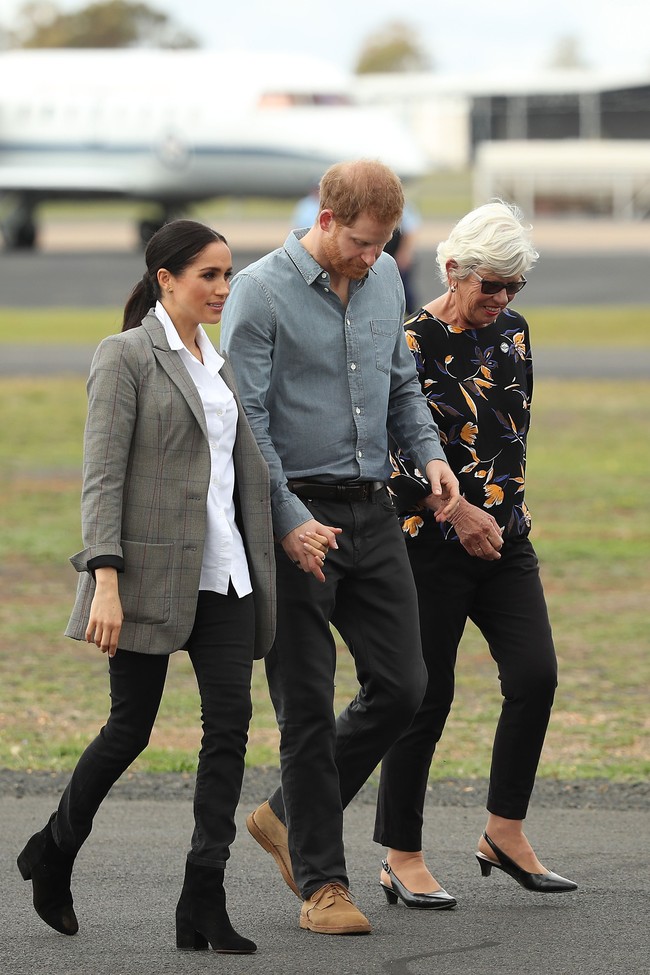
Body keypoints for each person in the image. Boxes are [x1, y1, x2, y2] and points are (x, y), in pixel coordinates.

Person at [15, 219, 323, 954]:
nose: (222, 288)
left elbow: (239, 471)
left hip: (227, 573)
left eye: (227, 274)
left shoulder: (217, 362)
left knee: (230, 731)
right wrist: (106, 582)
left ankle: (202, 896)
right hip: (147, 574)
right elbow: (102, 479)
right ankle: (55, 849)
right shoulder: (124, 356)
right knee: (130, 729)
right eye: (208, 276)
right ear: (166, 280)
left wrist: (286, 530)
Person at [221, 159, 459, 936]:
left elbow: (399, 387)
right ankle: (323, 884)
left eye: (384, 241)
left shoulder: (387, 276)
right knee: (307, 710)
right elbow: (246, 423)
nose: (374, 256)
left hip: (373, 509)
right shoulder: (259, 292)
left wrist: (429, 456)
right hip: (293, 514)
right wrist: (288, 519)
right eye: (360, 241)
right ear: (324, 219)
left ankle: (287, 813)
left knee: (405, 684)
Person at [373, 200, 578, 909]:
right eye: (490, 284)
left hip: (506, 538)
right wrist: (453, 509)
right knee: (425, 696)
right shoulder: (406, 342)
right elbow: (388, 453)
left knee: (536, 676)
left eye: (514, 286)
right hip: (429, 544)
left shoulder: (516, 333)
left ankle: (504, 830)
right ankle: (401, 854)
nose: (501, 299)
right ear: (453, 268)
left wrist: (506, 506)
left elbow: (509, 435)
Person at [292, 191, 421, 312]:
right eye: (360, 242)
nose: (370, 260)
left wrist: (405, 252)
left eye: (381, 243)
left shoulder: (387, 267)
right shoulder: (307, 207)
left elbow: (410, 227)